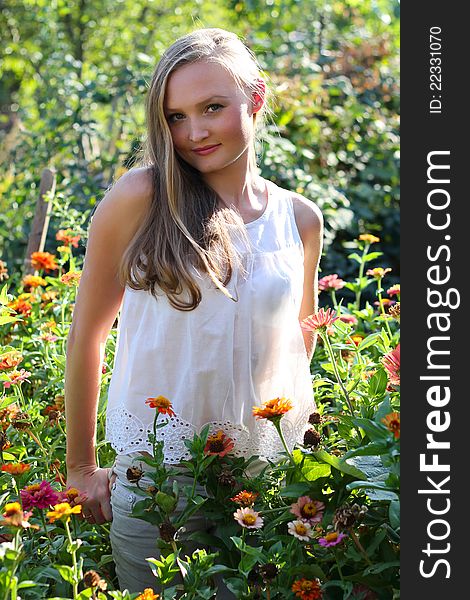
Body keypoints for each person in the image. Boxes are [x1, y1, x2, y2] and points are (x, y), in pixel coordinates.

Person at [65, 27, 323, 596]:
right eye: (175, 117)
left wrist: (294, 458)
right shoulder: (141, 198)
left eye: (212, 108)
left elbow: (296, 346)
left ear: (255, 99)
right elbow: (87, 335)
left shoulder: (299, 220)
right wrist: (81, 467)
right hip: (157, 473)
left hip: (260, 478)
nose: (194, 132)